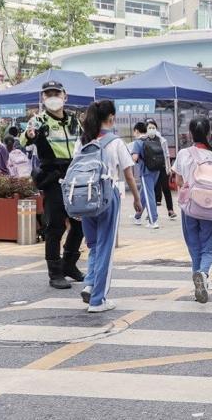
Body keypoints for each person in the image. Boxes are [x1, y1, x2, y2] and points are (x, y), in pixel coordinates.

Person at [76, 101, 142, 312]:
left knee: (94, 245)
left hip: (85, 196)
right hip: (107, 195)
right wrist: (137, 199)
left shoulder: (83, 140)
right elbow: (129, 175)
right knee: (106, 248)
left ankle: (90, 283)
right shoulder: (116, 142)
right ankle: (98, 300)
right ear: (111, 118)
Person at [22, 80, 86, 289]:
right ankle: (55, 272)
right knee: (55, 226)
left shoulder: (75, 121)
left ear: (65, 96)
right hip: (53, 177)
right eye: (48, 94)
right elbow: (25, 138)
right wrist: (30, 134)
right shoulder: (39, 121)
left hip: (75, 177)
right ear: (42, 98)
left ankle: (69, 264)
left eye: (56, 93)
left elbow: (85, 143)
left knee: (79, 224)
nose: (52, 97)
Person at [174, 117, 212, 304]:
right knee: (208, 246)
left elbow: (177, 181)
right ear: (209, 134)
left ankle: (198, 278)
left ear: (190, 133)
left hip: (190, 207)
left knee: (194, 246)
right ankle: (203, 273)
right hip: (211, 208)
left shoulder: (184, 154)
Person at [131, 121, 161, 229]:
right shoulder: (153, 139)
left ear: (137, 131)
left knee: (149, 195)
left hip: (146, 171)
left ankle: (153, 220)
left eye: (134, 132)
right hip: (156, 169)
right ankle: (137, 216)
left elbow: (134, 158)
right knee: (144, 194)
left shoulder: (138, 142)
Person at [145, 119, 177, 220]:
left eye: (153, 127)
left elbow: (167, 155)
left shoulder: (162, 140)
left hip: (162, 167)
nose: (151, 129)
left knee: (166, 188)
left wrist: (169, 168)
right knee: (152, 190)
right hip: (150, 168)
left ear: (156, 128)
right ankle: (151, 211)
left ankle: (170, 210)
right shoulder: (144, 140)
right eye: (149, 128)